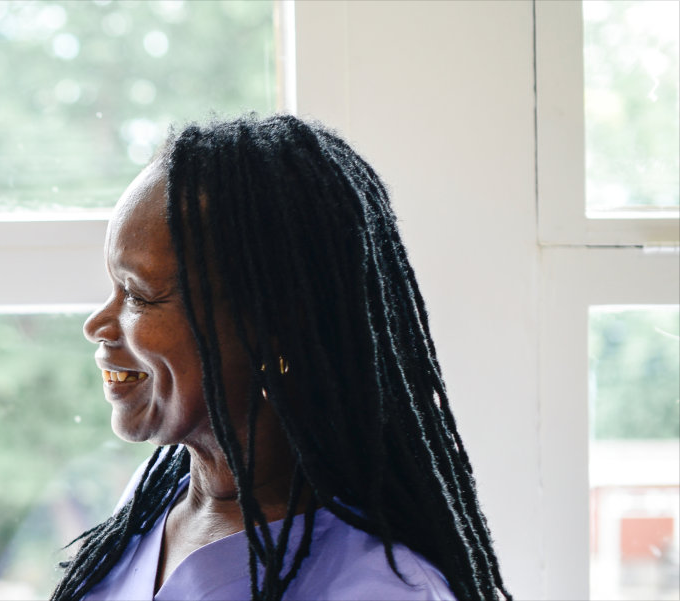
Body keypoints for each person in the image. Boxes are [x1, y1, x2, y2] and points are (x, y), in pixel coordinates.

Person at [57, 115, 508, 600]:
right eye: (112, 286)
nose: (98, 324)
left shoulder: (384, 589)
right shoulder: (149, 509)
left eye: (139, 294)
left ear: (270, 326)